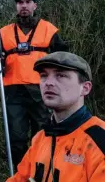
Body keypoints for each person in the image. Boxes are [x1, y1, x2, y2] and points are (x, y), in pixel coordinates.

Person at [0, 0, 68, 168]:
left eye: (27, 2)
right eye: (20, 2)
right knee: (16, 137)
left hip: (41, 90)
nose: (23, 5)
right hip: (13, 92)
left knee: (42, 134)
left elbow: (63, 57)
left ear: (35, 6)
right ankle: (21, 172)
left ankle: (41, 171)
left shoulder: (49, 29)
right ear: (16, 6)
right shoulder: (3, 32)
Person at [7, 52, 105, 181]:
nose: (48, 82)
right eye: (44, 76)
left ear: (85, 88)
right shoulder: (41, 138)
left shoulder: (99, 140)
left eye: (61, 75)